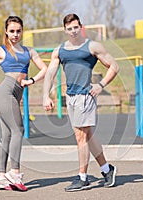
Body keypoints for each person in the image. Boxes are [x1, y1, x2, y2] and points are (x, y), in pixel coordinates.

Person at [43, 13, 119, 192]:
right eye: (69, 28)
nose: (73, 31)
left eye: (75, 27)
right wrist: (46, 95)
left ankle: (82, 178)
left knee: (81, 137)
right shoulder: (59, 50)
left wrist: (101, 85)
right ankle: (107, 170)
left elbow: (114, 66)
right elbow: (50, 73)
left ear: (81, 27)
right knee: (88, 136)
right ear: (65, 30)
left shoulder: (92, 46)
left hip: (85, 96)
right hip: (71, 97)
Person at [0, 16, 47, 191]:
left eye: (18, 31)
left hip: (16, 94)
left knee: (7, 136)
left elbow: (45, 69)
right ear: (6, 32)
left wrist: (31, 81)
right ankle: (14, 173)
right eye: (12, 31)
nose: (15, 34)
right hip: (4, 92)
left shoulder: (29, 51)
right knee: (19, 130)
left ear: (22, 31)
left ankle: (0, 176)